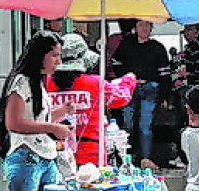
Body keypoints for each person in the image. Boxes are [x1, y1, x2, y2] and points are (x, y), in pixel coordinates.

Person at [0, 31, 75, 191]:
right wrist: (53, 128)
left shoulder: (38, 83)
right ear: (40, 55)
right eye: (54, 55)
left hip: (46, 155)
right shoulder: (21, 82)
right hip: (26, 155)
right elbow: (13, 123)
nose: (58, 61)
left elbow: (36, 119)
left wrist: (61, 113)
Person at [46, 33, 136, 169]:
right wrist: (129, 80)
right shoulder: (96, 83)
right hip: (91, 155)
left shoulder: (44, 84)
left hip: (54, 154)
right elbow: (122, 97)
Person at [112, 19, 171, 169]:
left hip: (150, 88)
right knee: (127, 125)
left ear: (152, 28)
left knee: (145, 126)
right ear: (135, 27)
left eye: (147, 25)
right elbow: (115, 64)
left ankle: (146, 158)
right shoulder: (126, 45)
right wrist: (125, 80)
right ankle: (126, 159)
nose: (144, 28)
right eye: (140, 25)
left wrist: (164, 96)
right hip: (129, 88)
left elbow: (165, 74)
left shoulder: (157, 48)